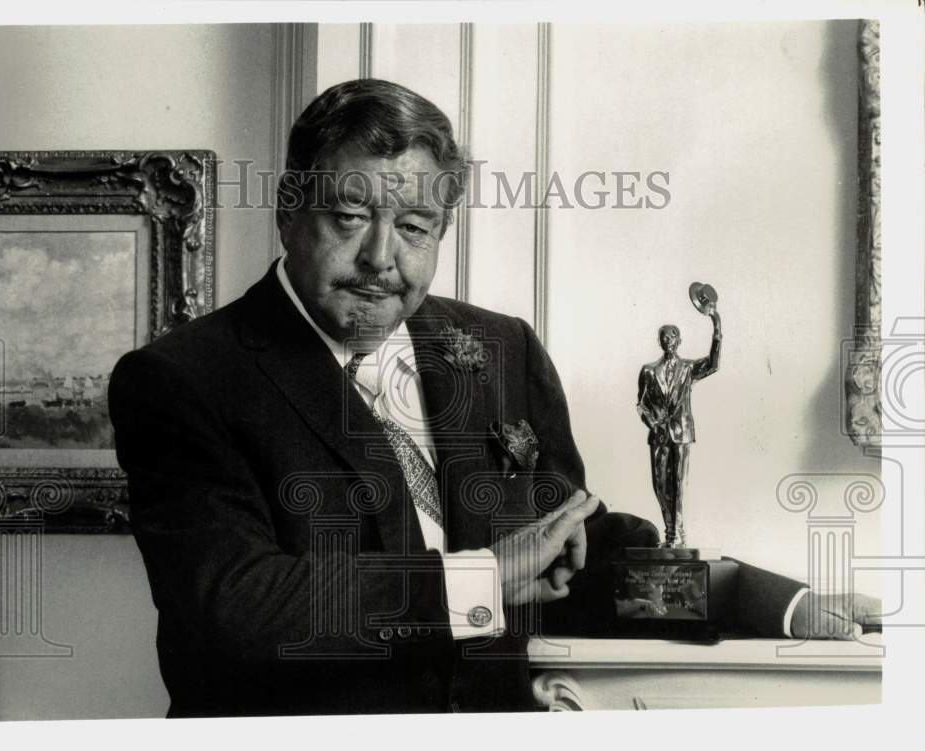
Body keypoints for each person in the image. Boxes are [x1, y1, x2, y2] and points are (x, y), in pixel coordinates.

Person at [108, 78, 879, 717]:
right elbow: (235, 606)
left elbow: (576, 552)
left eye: (414, 225)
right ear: (286, 209)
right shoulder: (182, 379)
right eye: (349, 216)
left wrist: (769, 602)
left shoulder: (499, 347)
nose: (382, 257)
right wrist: (481, 578)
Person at [637, 311, 721, 547]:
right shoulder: (648, 371)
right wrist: (652, 424)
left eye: (672, 337)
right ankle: (671, 529)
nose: (668, 341)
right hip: (659, 436)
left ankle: (676, 534)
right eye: (664, 338)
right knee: (660, 484)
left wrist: (717, 326)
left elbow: (713, 364)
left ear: (679, 341)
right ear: (659, 341)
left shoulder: (688, 368)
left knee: (679, 484)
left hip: (681, 432)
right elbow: (641, 405)